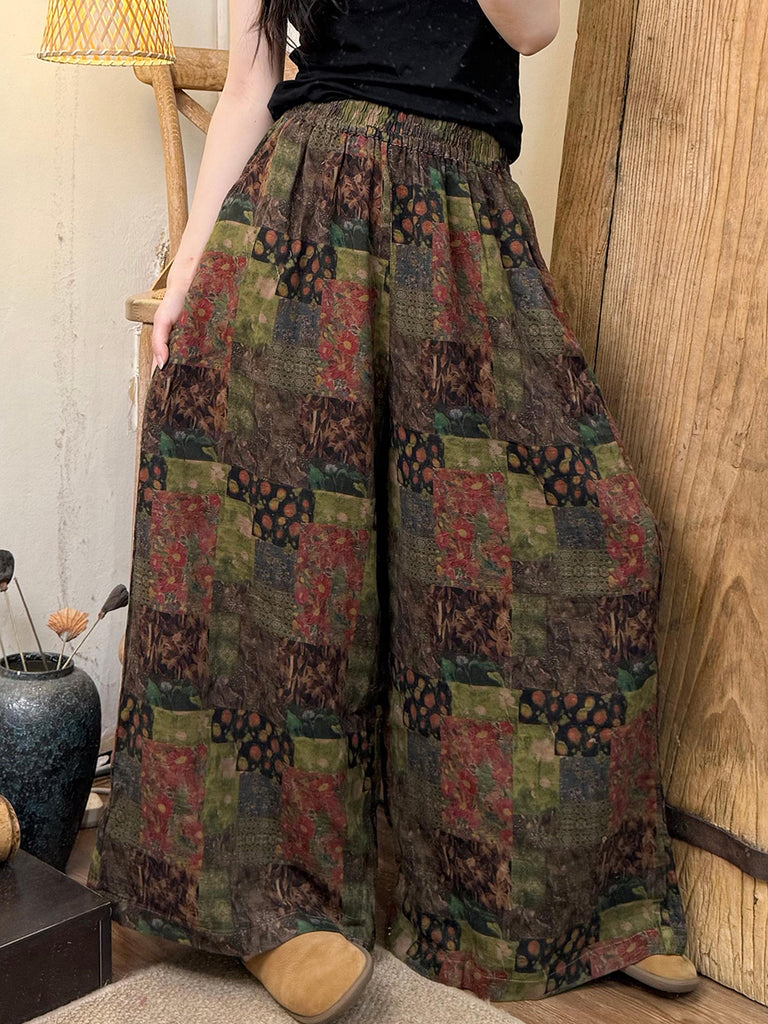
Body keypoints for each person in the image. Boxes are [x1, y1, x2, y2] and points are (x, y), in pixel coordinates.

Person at [87, 0, 699, 1020]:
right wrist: (189, 262)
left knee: (581, 544)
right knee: (291, 570)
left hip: (463, 223)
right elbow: (251, 83)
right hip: (300, 213)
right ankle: (281, 909)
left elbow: (534, 29)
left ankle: (561, 906)